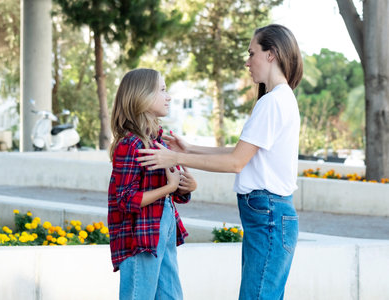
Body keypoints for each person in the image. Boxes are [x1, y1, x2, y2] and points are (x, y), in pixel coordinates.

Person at [137, 24, 303, 300]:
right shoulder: (280, 99)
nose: (248, 62)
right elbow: (245, 151)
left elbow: (237, 163)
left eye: (252, 53)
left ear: (271, 54)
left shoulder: (273, 102)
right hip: (270, 213)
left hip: (268, 213)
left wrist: (175, 157)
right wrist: (190, 147)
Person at [108, 68, 197, 300]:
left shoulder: (158, 140)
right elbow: (125, 200)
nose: (168, 97)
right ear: (141, 96)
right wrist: (168, 187)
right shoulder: (131, 145)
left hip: (162, 224)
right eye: (162, 90)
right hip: (140, 237)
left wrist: (186, 186)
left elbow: (174, 189)